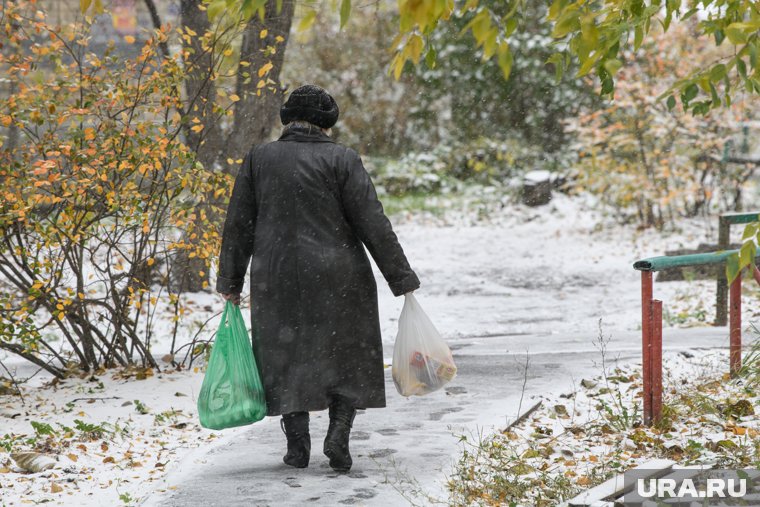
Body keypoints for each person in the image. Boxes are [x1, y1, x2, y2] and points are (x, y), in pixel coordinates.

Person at [215, 84, 420, 472]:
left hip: (276, 276)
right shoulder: (343, 160)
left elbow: (238, 225)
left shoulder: (260, 159)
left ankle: (297, 446)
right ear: (328, 122)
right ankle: (339, 434)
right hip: (339, 274)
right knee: (346, 354)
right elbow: (372, 222)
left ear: (287, 118)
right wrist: (400, 276)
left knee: (284, 354)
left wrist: (231, 281)